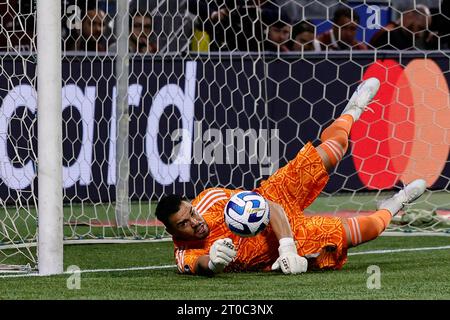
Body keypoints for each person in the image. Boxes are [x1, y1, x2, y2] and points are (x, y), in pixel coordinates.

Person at [155, 77, 427, 276]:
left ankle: (354, 109)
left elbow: (266, 207)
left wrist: (287, 248)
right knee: (370, 230)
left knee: (333, 151)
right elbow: (197, 266)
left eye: (191, 212)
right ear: (172, 232)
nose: (195, 221)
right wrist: (213, 263)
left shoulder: (211, 200)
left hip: (275, 197)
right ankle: (395, 204)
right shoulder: (184, 253)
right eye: (184, 224)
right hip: (289, 242)